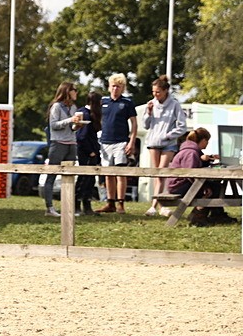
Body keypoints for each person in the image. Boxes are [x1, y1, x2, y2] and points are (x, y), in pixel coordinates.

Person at [168, 128, 238, 227]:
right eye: (207, 141)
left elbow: (196, 165)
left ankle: (214, 214)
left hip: (181, 183)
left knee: (216, 185)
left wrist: (208, 158)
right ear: (203, 140)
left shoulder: (191, 151)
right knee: (213, 188)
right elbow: (192, 174)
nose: (207, 144)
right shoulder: (191, 153)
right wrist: (204, 187)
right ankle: (199, 217)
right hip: (179, 186)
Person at [141, 75, 186, 217]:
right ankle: (160, 206)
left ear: (166, 90)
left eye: (158, 92)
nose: (155, 95)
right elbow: (146, 125)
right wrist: (148, 113)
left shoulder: (175, 105)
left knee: (162, 172)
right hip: (153, 143)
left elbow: (182, 126)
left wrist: (168, 135)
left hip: (168, 144)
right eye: (153, 92)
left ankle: (155, 205)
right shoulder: (151, 103)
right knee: (157, 175)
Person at [41, 82, 83, 217]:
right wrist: (70, 120)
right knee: (52, 175)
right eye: (74, 90)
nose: (76, 93)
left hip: (71, 143)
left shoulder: (74, 107)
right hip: (58, 143)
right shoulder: (56, 106)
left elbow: (71, 128)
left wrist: (77, 125)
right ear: (67, 91)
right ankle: (49, 208)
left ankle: (68, 208)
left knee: (69, 176)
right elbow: (53, 125)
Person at [97, 73, 137, 214]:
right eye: (113, 86)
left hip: (121, 141)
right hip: (105, 141)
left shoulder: (127, 103)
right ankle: (110, 202)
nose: (115, 89)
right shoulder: (103, 102)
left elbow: (134, 123)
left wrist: (131, 141)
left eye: (118, 87)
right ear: (109, 87)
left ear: (123, 88)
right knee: (108, 173)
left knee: (120, 172)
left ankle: (121, 203)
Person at [75, 91, 103, 216]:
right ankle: (76, 205)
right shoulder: (84, 114)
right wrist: (90, 151)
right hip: (86, 152)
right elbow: (81, 137)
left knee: (90, 180)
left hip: (93, 150)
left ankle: (87, 205)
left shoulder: (91, 114)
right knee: (84, 179)